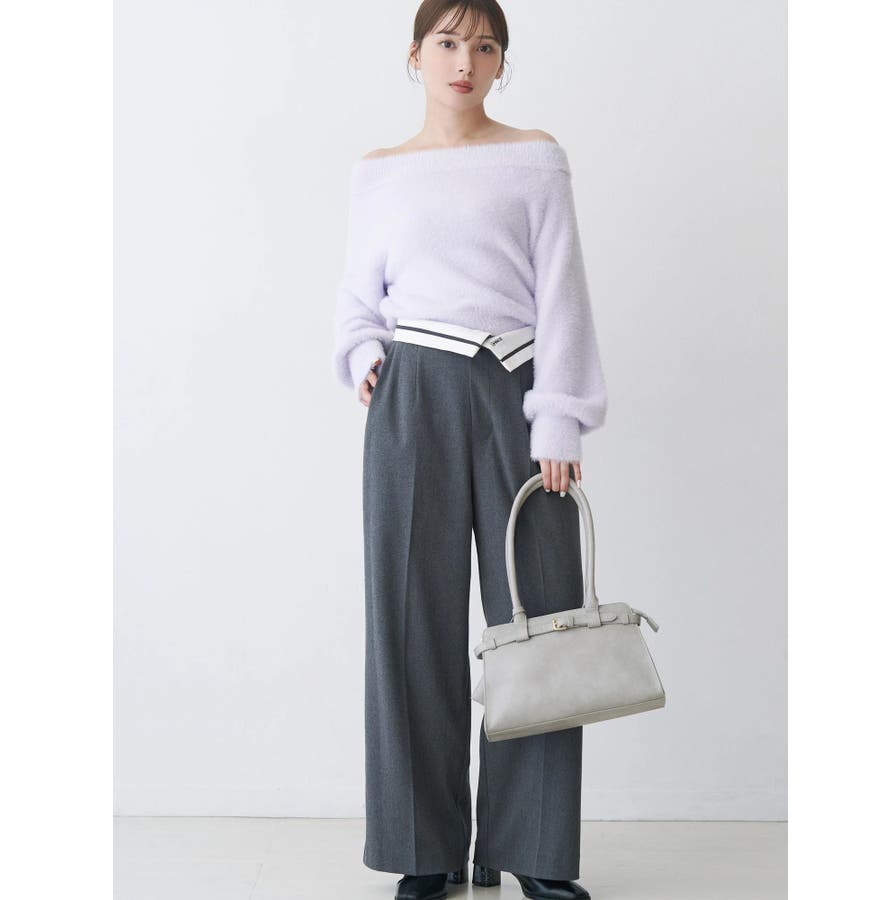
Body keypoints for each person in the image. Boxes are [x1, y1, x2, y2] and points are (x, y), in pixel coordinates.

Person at [332, 3, 607, 899]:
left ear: (500, 63)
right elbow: (358, 299)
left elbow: (563, 289)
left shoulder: (535, 157)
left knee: (542, 620)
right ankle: (429, 847)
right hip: (411, 395)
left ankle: (531, 851)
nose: (466, 60)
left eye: (484, 46)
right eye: (448, 43)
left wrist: (559, 416)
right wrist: (365, 357)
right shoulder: (379, 172)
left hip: (517, 393)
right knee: (410, 624)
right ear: (416, 55)